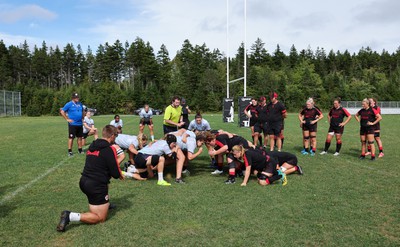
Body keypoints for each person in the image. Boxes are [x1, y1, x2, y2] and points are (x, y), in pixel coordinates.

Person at [56, 125, 125, 232]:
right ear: (111, 136)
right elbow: (115, 174)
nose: (115, 138)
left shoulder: (93, 145)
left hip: (84, 181)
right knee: (100, 218)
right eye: (115, 136)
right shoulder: (108, 149)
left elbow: (99, 163)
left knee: (104, 180)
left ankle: (105, 204)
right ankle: (70, 216)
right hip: (95, 186)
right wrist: (118, 172)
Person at [60, 92, 85, 156]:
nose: (77, 98)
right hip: (73, 124)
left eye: (78, 97)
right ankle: (70, 151)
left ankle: (80, 149)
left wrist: (82, 117)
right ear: (73, 98)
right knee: (71, 137)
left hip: (79, 124)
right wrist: (67, 119)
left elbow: (82, 111)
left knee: (79, 137)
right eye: (76, 97)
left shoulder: (80, 104)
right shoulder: (69, 104)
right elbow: (62, 111)